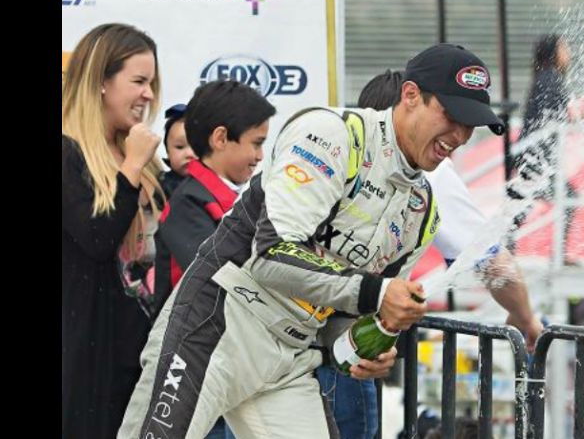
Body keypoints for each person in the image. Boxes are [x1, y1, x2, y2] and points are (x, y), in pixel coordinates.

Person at [118, 43, 505, 438]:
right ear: (410, 96)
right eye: (451, 115)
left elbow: (346, 317)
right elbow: (272, 255)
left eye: (471, 123)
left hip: (289, 359)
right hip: (217, 326)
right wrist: (377, 292)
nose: (459, 135)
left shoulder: (421, 213)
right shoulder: (332, 135)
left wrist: (368, 345)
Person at [316, 69, 543, 439]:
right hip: (341, 352)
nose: (458, 137)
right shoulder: (425, 169)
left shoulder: (338, 149)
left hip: (282, 343)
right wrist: (526, 320)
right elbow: (492, 262)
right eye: (450, 118)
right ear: (407, 106)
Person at [153, 80, 275, 439]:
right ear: (221, 138)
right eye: (256, 143)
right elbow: (220, 274)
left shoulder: (243, 200)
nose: (259, 157)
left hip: (232, 362)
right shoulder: (186, 203)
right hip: (191, 366)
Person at [62, 22, 163, 438]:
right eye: (138, 81)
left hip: (134, 352)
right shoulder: (68, 153)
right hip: (83, 362)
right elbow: (97, 240)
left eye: (152, 83)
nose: (149, 95)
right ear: (101, 82)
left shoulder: (137, 156)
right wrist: (132, 168)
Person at [514, 34, 579, 266]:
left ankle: (503, 250)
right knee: (568, 196)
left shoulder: (543, 78)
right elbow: (573, 114)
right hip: (536, 156)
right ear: (554, 53)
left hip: (530, 154)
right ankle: (558, 255)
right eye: (564, 48)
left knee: (521, 203)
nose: (568, 53)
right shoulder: (553, 78)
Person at [159, 103, 196, 199]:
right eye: (180, 147)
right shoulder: (162, 187)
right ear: (168, 151)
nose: (189, 154)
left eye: (196, 146)